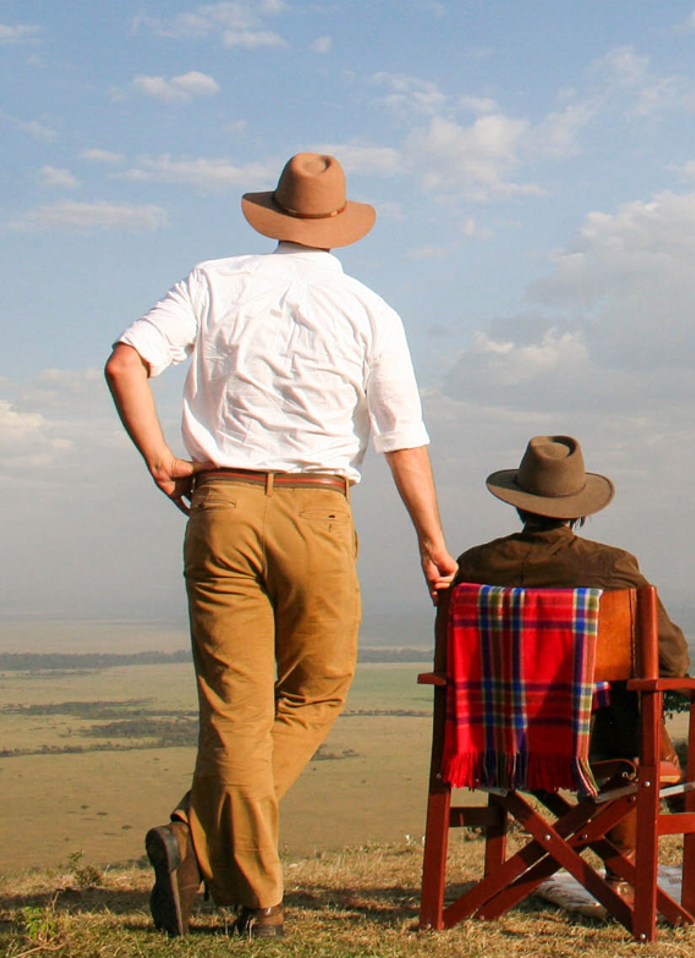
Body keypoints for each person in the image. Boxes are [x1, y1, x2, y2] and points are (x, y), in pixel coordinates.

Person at [104, 152, 457, 939]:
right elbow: (403, 440)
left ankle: (199, 846)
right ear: (339, 226)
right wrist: (431, 541)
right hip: (321, 512)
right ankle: (250, 897)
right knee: (317, 691)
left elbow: (125, 363)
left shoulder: (212, 281)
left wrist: (162, 459)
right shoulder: (371, 311)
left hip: (221, 505)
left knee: (234, 709)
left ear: (273, 216)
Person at [453, 434, 689, 864]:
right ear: (580, 511)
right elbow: (672, 658)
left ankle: (499, 886)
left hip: (489, 737)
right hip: (589, 738)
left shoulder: (473, 566)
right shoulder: (610, 566)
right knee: (631, 717)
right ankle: (623, 869)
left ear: (517, 502)